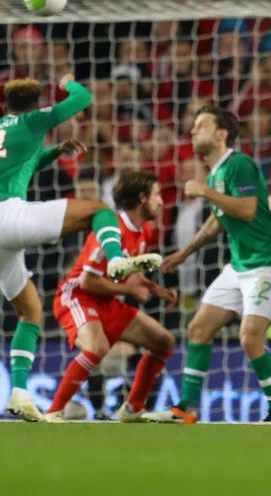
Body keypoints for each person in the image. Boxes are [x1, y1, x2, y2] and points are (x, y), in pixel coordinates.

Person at [0, 76, 161, 421]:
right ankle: (116, 260)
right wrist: (69, 82)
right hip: (6, 215)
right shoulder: (34, 119)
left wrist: (55, 152)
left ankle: (21, 393)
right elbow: (82, 98)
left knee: (30, 313)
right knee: (100, 211)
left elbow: (22, 167)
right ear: (36, 103)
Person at [160, 107, 271, 424]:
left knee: (250, 338)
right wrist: (184, 252)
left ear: (221, 135)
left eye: (201, 125)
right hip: (239, 265)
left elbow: (247, 210)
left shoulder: (239, 165)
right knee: (198, 328)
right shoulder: (217, 173)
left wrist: (205, 191)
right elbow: (218, 221)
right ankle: (187, 408)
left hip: (267, 263)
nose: (193, 131)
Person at [47, 171, 178, 423]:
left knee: (164, 342)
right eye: (157, 195)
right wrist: (130, 291)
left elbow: (128, 273)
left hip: (107, 302)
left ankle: (132, 409)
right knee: (98, 347)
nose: (161, 201)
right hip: (77, 297)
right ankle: (55, 410)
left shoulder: (144, 232)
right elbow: (88, 281)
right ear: (142, 199)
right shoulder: (110, 230)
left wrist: (154, 289)